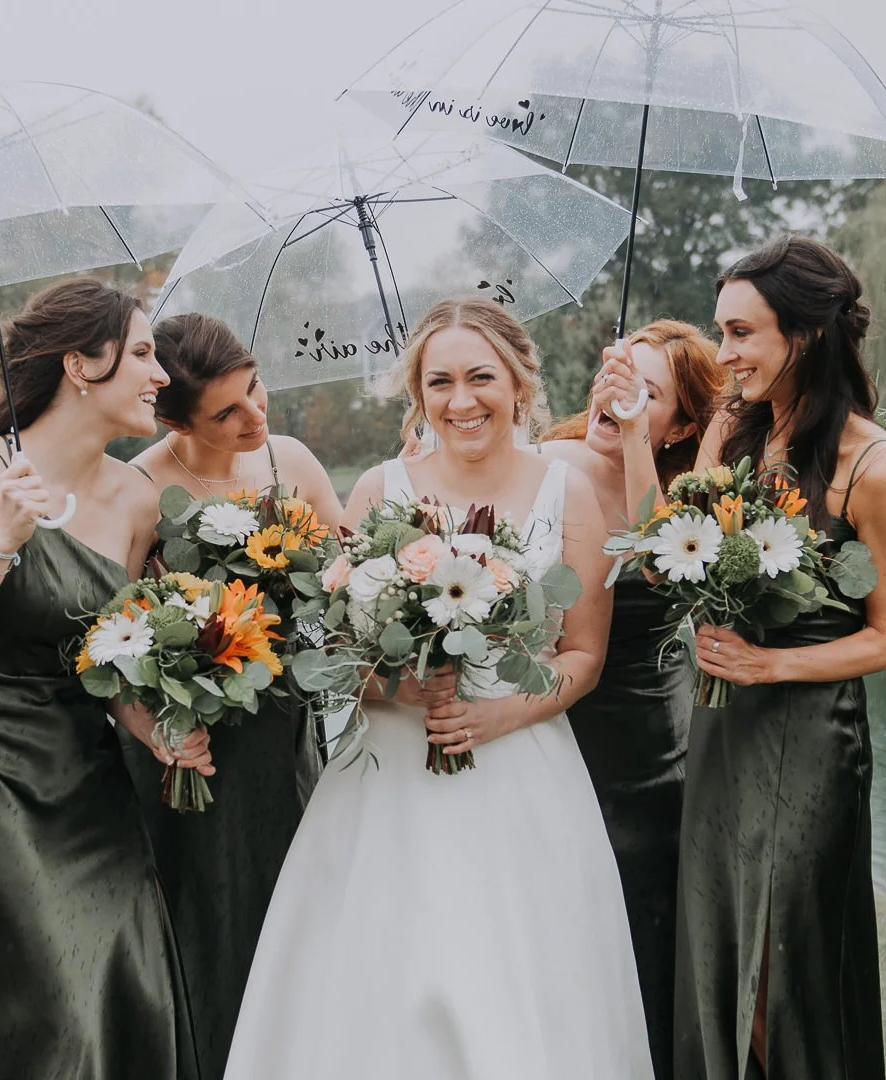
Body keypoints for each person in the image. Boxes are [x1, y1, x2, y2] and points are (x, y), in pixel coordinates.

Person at [222, 297, 653, 1080]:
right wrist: (399, 685)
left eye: (481, 377)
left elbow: (582, 654)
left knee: (515, 977)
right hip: (389, 776)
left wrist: (496, 716)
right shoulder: (379, 490)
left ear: (521, 381)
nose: (462, 401)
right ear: (418, 394)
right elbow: (343, 649)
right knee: (383, 977)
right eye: (441, 381)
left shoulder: (569, 493)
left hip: (522, 767)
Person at [0, 278, 212, 1080]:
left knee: (125, 969)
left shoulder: (138, 499)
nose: (161, 376)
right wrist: (2, 541)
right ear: (81, 365)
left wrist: (163, 732)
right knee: (35, 997)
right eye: (142, 354)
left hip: (90, 774)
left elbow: (111, 662)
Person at [669, 236, 886, 1080]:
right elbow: (682, 553)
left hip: (810, 736)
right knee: (720, 944)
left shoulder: (871, 464)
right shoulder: (727, 439)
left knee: (787, 967)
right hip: (720, 730)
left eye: (741, 333)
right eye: (719, 332)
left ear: (804, 335)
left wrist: (771, 666)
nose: (724, 354)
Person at [123, 312, 344, 1080]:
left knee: (295, 903)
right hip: (193, 741)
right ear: (173, 416)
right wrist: (162, 717)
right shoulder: (140, 489)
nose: (257, 416)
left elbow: (346, 588)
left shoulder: (292, 463)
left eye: (255, 391)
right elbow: (116, 633)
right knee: (206, 914)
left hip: (285, 728)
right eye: (228, 411)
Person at [539, 319, 726, 1080]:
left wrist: (633, 441)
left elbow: (661, 563)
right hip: (552, 729)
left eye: (649, 395)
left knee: (648, 924)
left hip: (652, 750)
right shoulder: (542, 466)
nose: (621, 401)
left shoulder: (689, 497)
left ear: (682, 423)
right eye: (617, 381)